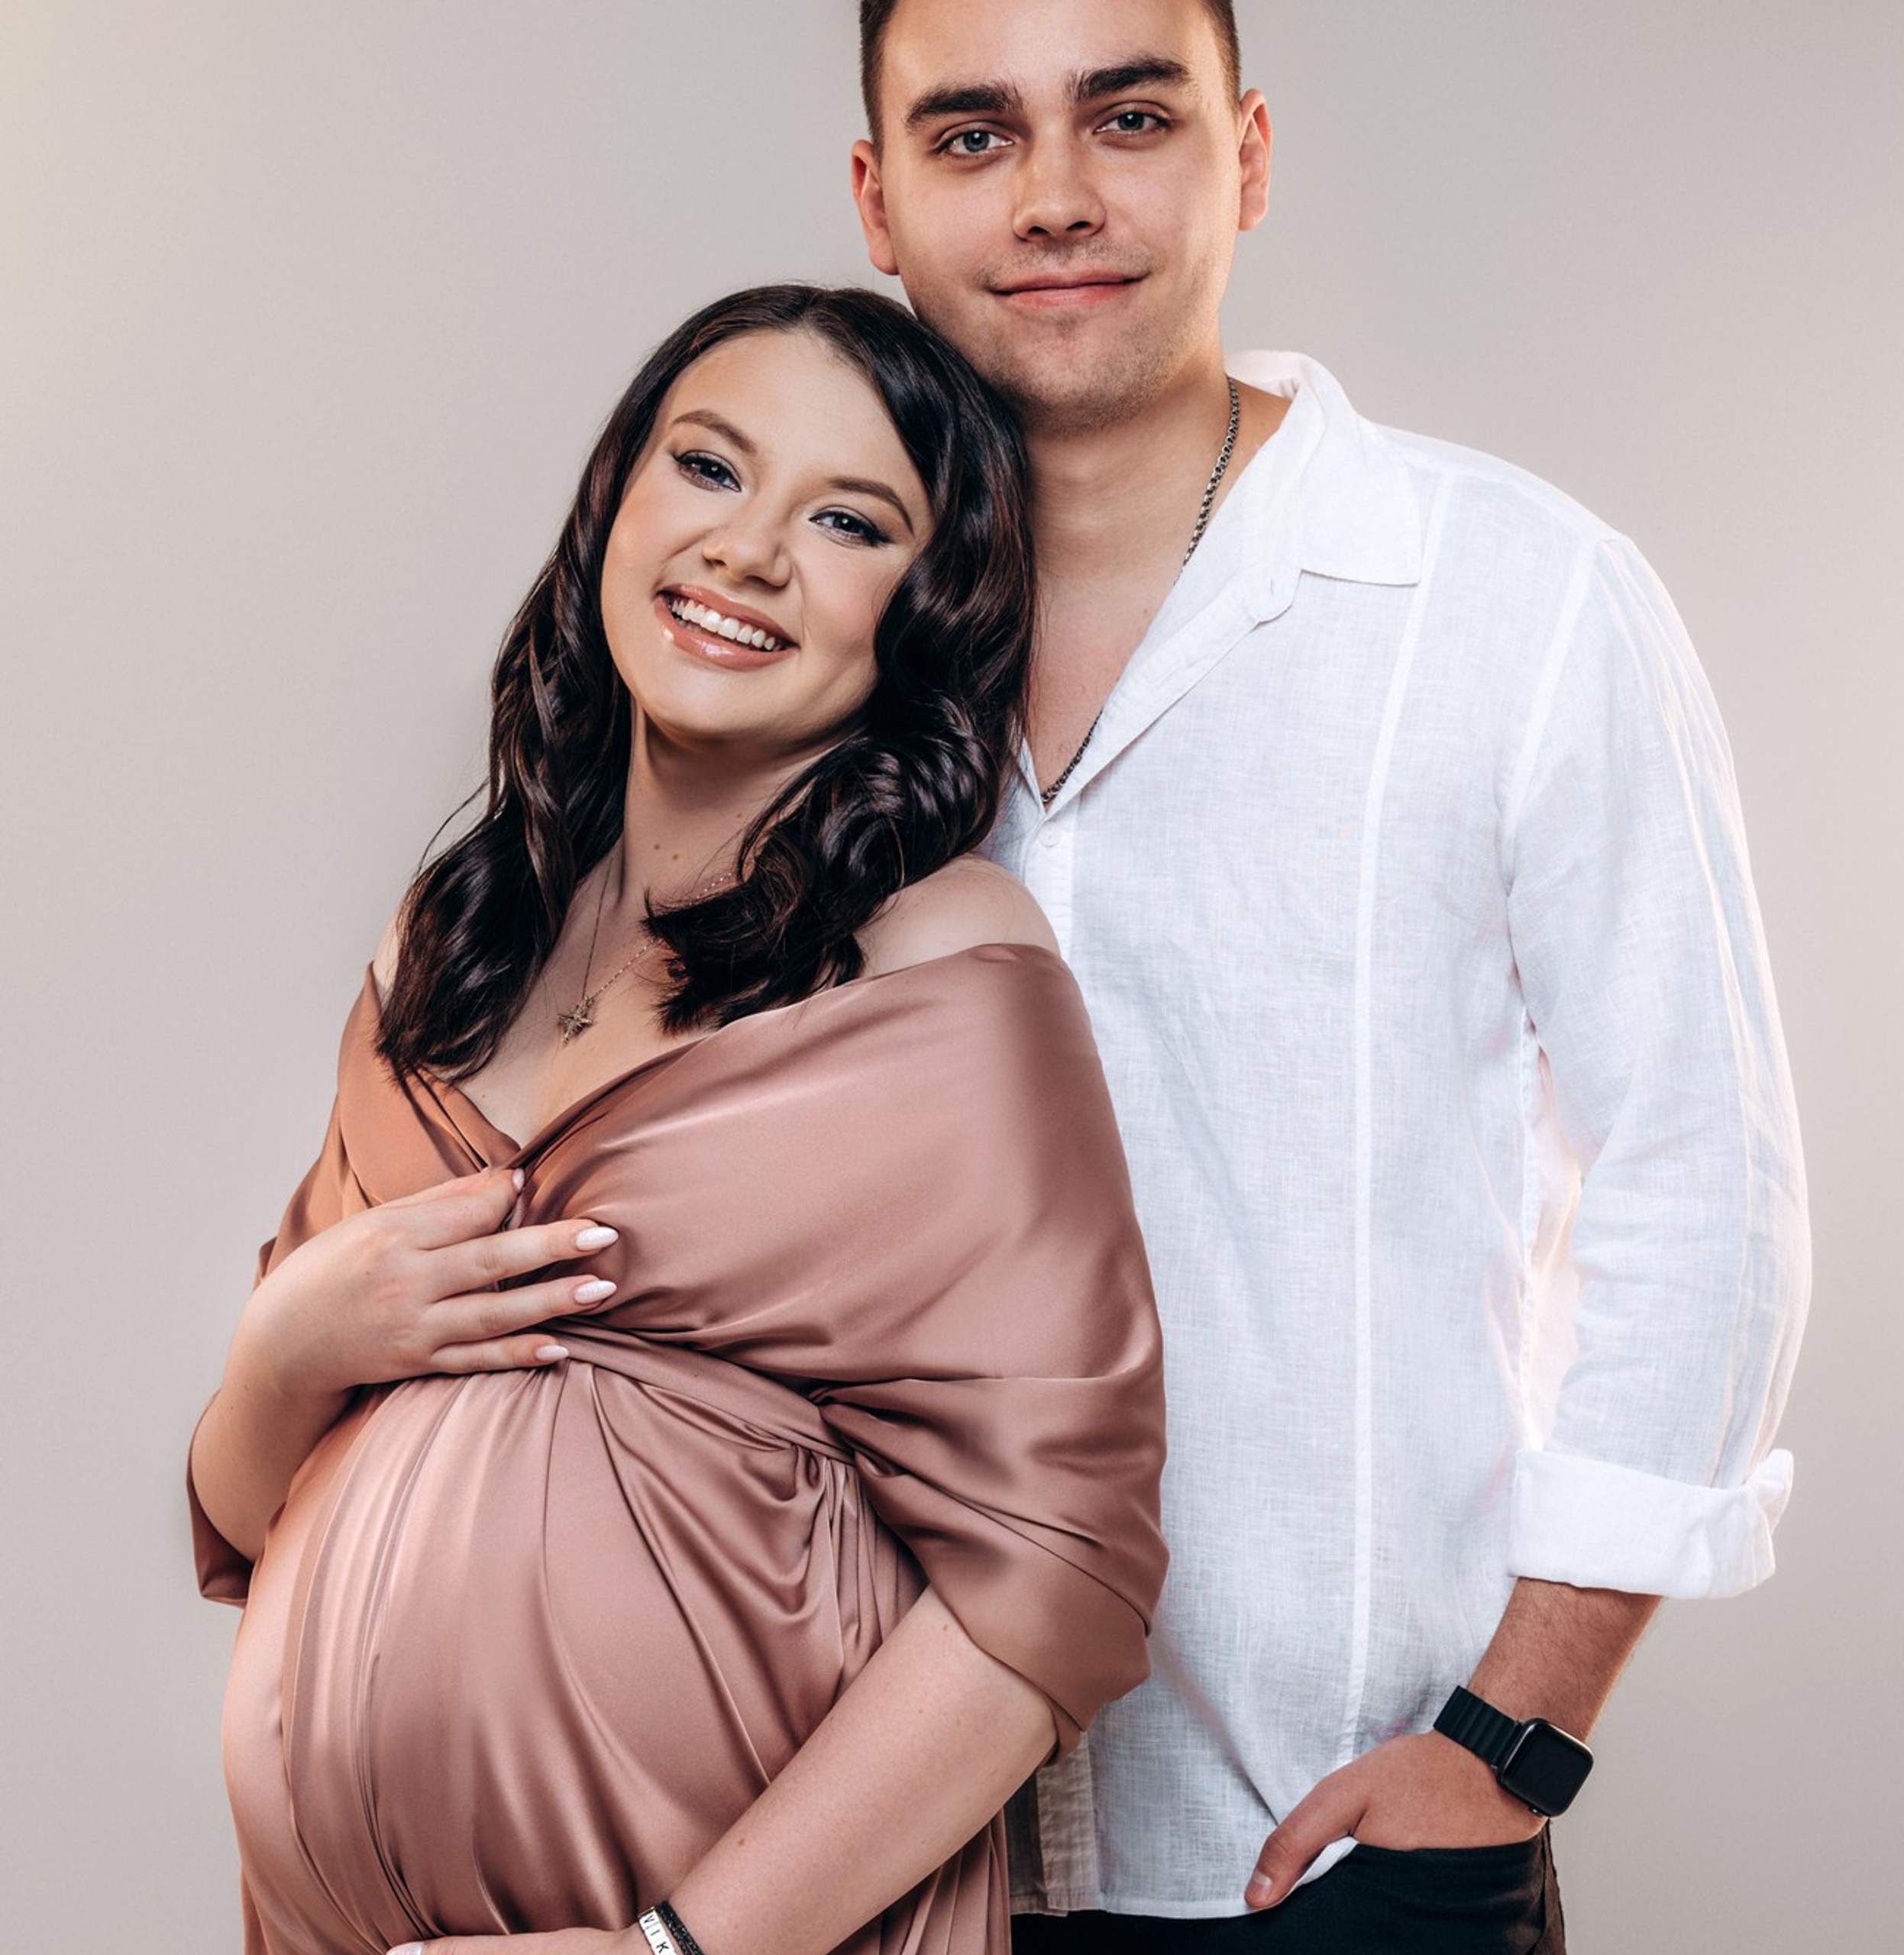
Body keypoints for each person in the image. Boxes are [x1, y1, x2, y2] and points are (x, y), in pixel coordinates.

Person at [847, 2, 1810, 1950]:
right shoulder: (809, 639)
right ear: (876, 202)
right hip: (876, 1846)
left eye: (1128, 118)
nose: (1052, 197)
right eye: (970, 137)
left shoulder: (1512, 597)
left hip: (1345, 1850)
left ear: (1250, 154)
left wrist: (1512, 1733)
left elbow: (1704, 1178)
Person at [187, 283, 1169, 1955]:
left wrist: (681, 1946)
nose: (750, 550)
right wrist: (281, 1351)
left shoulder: (938, 960)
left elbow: (1061, 1578)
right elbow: (242, 1510)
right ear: (615, 502)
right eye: (709, 467)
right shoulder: (458, 935)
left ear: (927, 609)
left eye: (849, 521)